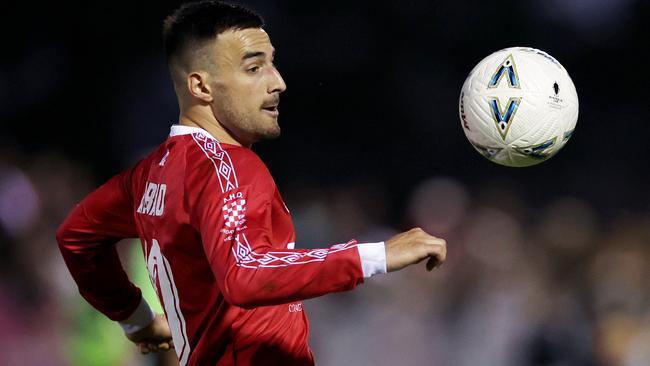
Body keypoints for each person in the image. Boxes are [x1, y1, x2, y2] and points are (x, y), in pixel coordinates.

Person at [56, 1, 447, 365]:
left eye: (272, 64)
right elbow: (245, 273)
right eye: (253, 68)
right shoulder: (230, 168)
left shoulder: (150, 173)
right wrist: (377, 255)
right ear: (201, 87)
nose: (278, 82)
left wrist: (136, 318)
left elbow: (76, 237)